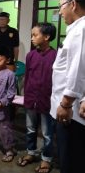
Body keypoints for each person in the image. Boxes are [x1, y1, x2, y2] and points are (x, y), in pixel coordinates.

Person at [50, 0, 85, 173]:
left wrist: (65, 104)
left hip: (71, 111)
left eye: (61, 7)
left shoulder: (81, 29)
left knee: (71, 159)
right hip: (74, 104)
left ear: (73, 5)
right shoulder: (77, 28)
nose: (60, 12)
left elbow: (77, 68)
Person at [17, 23, 57, 173]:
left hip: (47, 100)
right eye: (32, 35)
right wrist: (26, 95)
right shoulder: (30, 55)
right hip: (31, 98)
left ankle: (46, 159)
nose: (32, 38)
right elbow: (27, 78)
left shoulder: (55, 56)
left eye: (35, 35)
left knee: (47, 133)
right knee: (30, 128)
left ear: (46, 37)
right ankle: (31, 152)